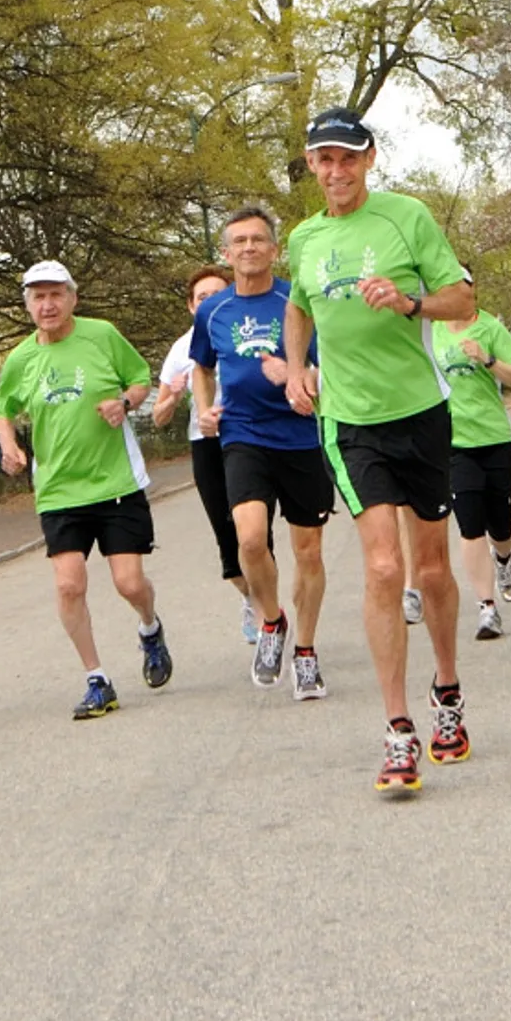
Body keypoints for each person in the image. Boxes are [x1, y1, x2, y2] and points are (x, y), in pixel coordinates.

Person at [282, 107, 474, 797]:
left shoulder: (406, 218)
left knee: (431, 566)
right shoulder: (303, 238)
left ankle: (446, 691)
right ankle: (397, 730)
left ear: (368, 159)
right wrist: (297, 364)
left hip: (421, 413)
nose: (335, 171)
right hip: (350, 422)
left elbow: (462, 300)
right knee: (384, 567)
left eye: (347, 158)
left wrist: (410, 301)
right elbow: (300, 304)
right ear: (311, 166)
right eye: (323, 160)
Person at [0, 261, 173, 719]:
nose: (47, 305)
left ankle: (150, 629)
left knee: (129, 584)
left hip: (115, 482)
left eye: (56, 295)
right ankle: (97, 679)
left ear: (73, 298)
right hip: (57, 489)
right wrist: (9, 446)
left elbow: (139, 378)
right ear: (28, 305)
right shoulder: (21, 358)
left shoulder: (101, 335)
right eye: (38, 297)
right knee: (69, 585)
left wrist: (125, 402)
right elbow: (2, 405)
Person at [190, 206, 335, 699]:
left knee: (308, 551)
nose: (249, 248)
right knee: (250, 540)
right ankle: (272, 621)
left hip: (300, 437)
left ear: (275, 250)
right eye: (239, 241)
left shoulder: (297, 302)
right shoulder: (213, 311)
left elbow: (326, 369)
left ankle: (307, 651)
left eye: (258, 240)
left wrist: (299, 377)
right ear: (226, 253)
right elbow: (202, 369)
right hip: (243, 435)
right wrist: (206, 411)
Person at [154, 265, 254, 641]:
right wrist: (175, 396)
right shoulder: (181, 349)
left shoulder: (245, 329)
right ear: (190, 306)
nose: (210, 302)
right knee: (226, 535)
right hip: (205, 442)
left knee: (253, 532)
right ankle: (249, 597)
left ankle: (268, 608)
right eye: (202, 298)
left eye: (217, 294)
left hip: (249, 436)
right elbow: (159, 417)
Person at [429, 269, 511, 641]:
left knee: (500, 525)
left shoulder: (490, 328)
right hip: (453, 444)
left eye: (464, 288)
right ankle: (487, 608)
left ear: (472, 291)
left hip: (495, 438)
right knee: (470, 526)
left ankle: (503, 558)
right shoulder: (431, 331)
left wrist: (487, 360)